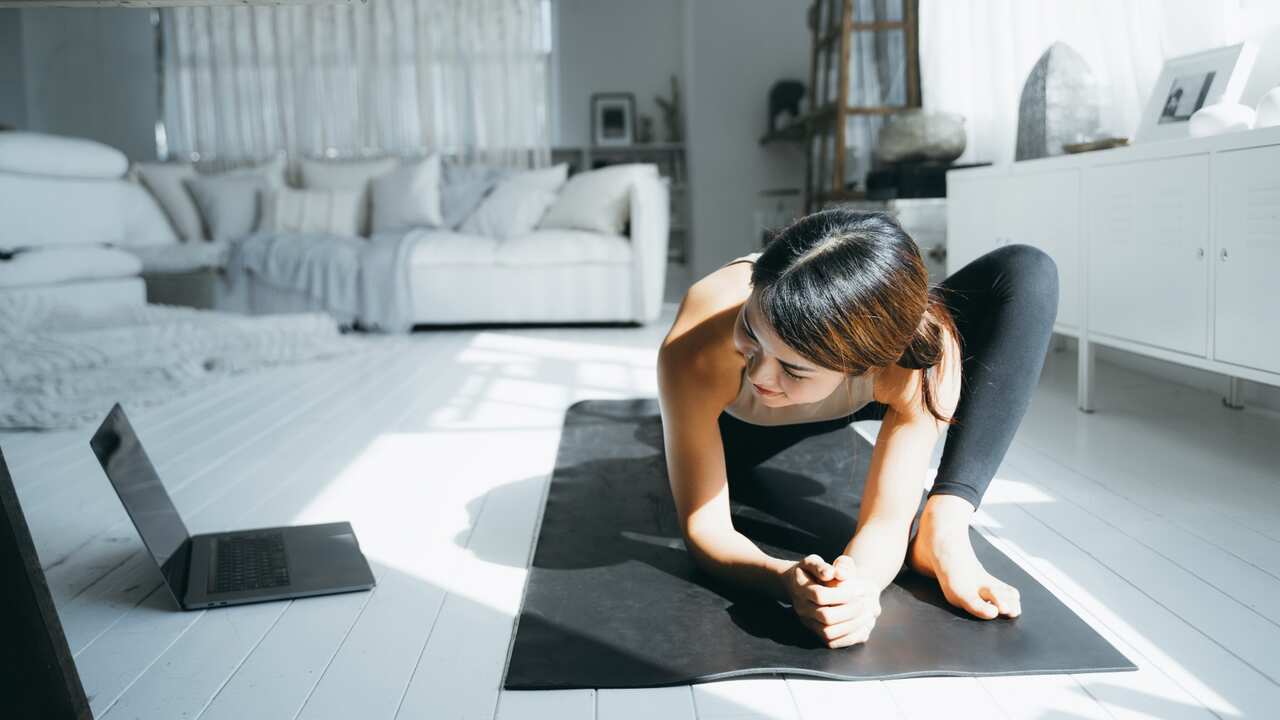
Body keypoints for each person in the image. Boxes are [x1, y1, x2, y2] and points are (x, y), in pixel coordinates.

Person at [656, 208, 1058, 649]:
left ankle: (945, 525)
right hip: (744, 425)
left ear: (866, 364)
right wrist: (784, 579)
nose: (760, 374)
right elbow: (706, 530)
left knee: (1027, 269)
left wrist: (857, 589)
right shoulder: (696, 346)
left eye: (792, 368)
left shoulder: (919, 362)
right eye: (749, 331)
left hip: (860, 385)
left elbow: (887, 525)